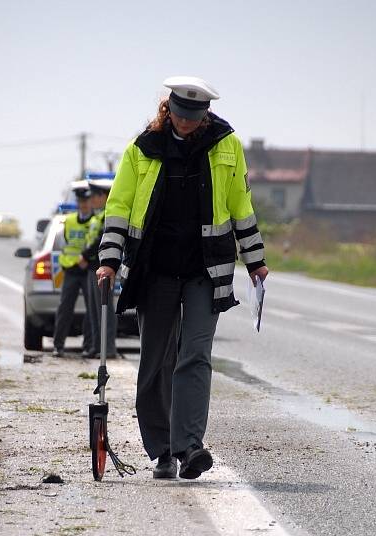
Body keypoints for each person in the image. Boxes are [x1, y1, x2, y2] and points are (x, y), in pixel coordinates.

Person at [96, 76, 268, 480]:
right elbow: (118, 208)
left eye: (195, 116)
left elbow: (241, 207)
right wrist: (108, 259)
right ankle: (162, 450)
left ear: (205, 113)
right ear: (167, 110)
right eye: (180, 114)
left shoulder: (227, 145)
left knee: (195, 354)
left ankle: (190, 446)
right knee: (156, 360)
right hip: (154, 269)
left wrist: (256, 259)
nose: (187, 122)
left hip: (206, 270)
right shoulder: (142, 149)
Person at [52, 180, 93, 357]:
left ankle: (88, 346)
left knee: (92, 310)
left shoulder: (95, 222)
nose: (83, 205)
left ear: (90, 203)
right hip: (71, 270)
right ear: (77, 203)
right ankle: (58, 345)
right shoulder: (68, 222)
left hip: (88, 270)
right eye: (81, 202)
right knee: (65, 308)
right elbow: (62, 245)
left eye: (86, 202)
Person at [81, 177, 117, 359]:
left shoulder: (108, 215)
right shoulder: (97, 215)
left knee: (105, 310)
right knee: (95, 311)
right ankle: (97, 346)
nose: (92, 199)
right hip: (92, 268)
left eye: (95, 195)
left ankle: (108, 348)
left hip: (102, 267)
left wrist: (85, 255)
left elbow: (100, 241)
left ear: (104, 196)